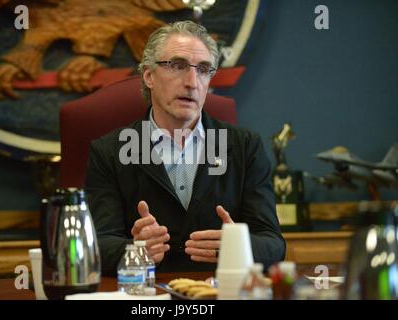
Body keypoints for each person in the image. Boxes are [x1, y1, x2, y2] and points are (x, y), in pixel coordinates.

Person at [85, 20, 285, 275]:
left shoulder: (245, 147)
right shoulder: (109, 152)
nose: (192, 82)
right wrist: (135, 250)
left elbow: (273, 243)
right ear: (148, 76)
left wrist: (238, 246)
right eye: (177, 66)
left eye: (203, 70)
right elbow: (97, 245)